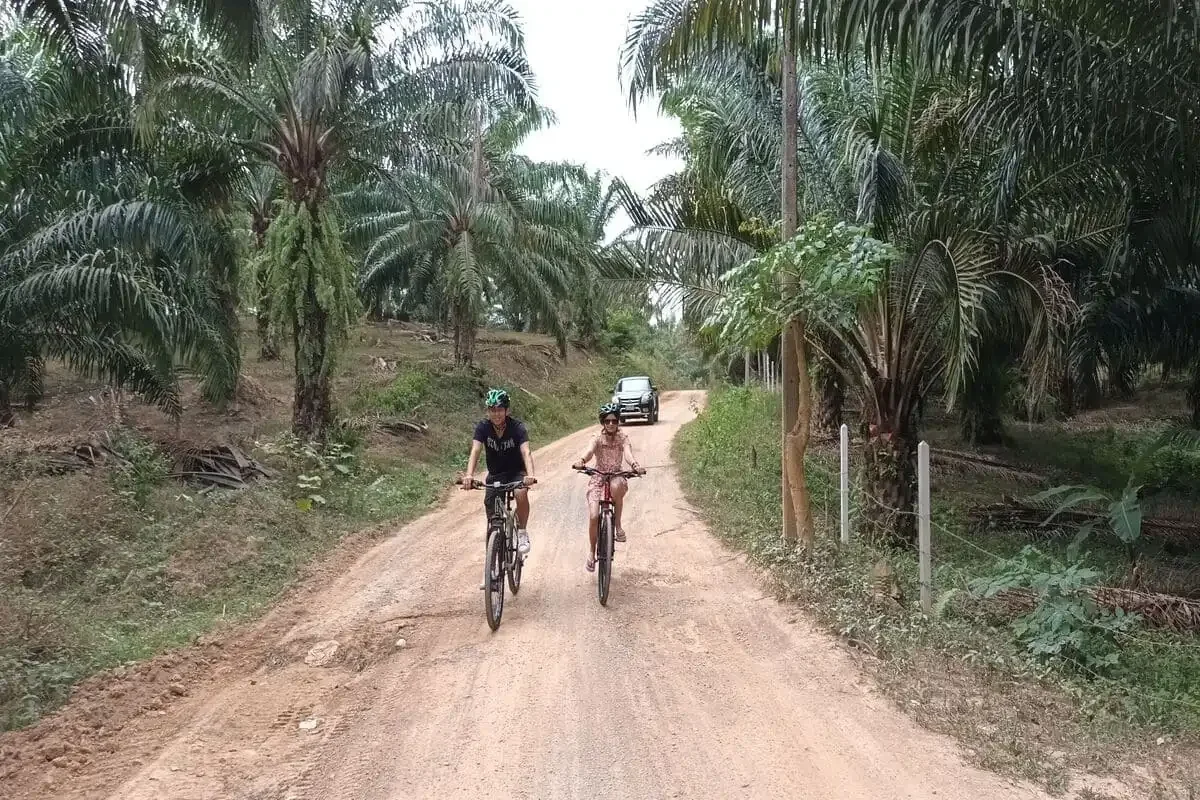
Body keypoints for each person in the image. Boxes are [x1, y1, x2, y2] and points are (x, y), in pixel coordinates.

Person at [463, 389, 536, 561]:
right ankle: (492, 566)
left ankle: (523, 532)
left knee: (520, 493)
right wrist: (469, 475)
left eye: (500, 409)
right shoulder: (483, 428)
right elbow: (475, 450)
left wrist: (530, 475)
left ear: (507, 410)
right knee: (493, 520)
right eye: (492, 409)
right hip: (495, 475)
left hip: (516, 473)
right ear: (488, 411)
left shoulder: (517, 428)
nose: (496, 414)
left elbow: (526, 452)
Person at [572, 403, 644, 572]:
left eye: (614, 420)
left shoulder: (623, 437)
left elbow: (628, 453)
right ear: (603, 422)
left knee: (617, 486)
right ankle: (591, 552)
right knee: (593, 515)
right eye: (607, 421)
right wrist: (582, 461)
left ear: (618, 421)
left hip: (616, 475)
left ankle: (617, 525)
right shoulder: (596, 437)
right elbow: (589, 451)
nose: (611, 424)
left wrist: (634, 464)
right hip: (598, 477)